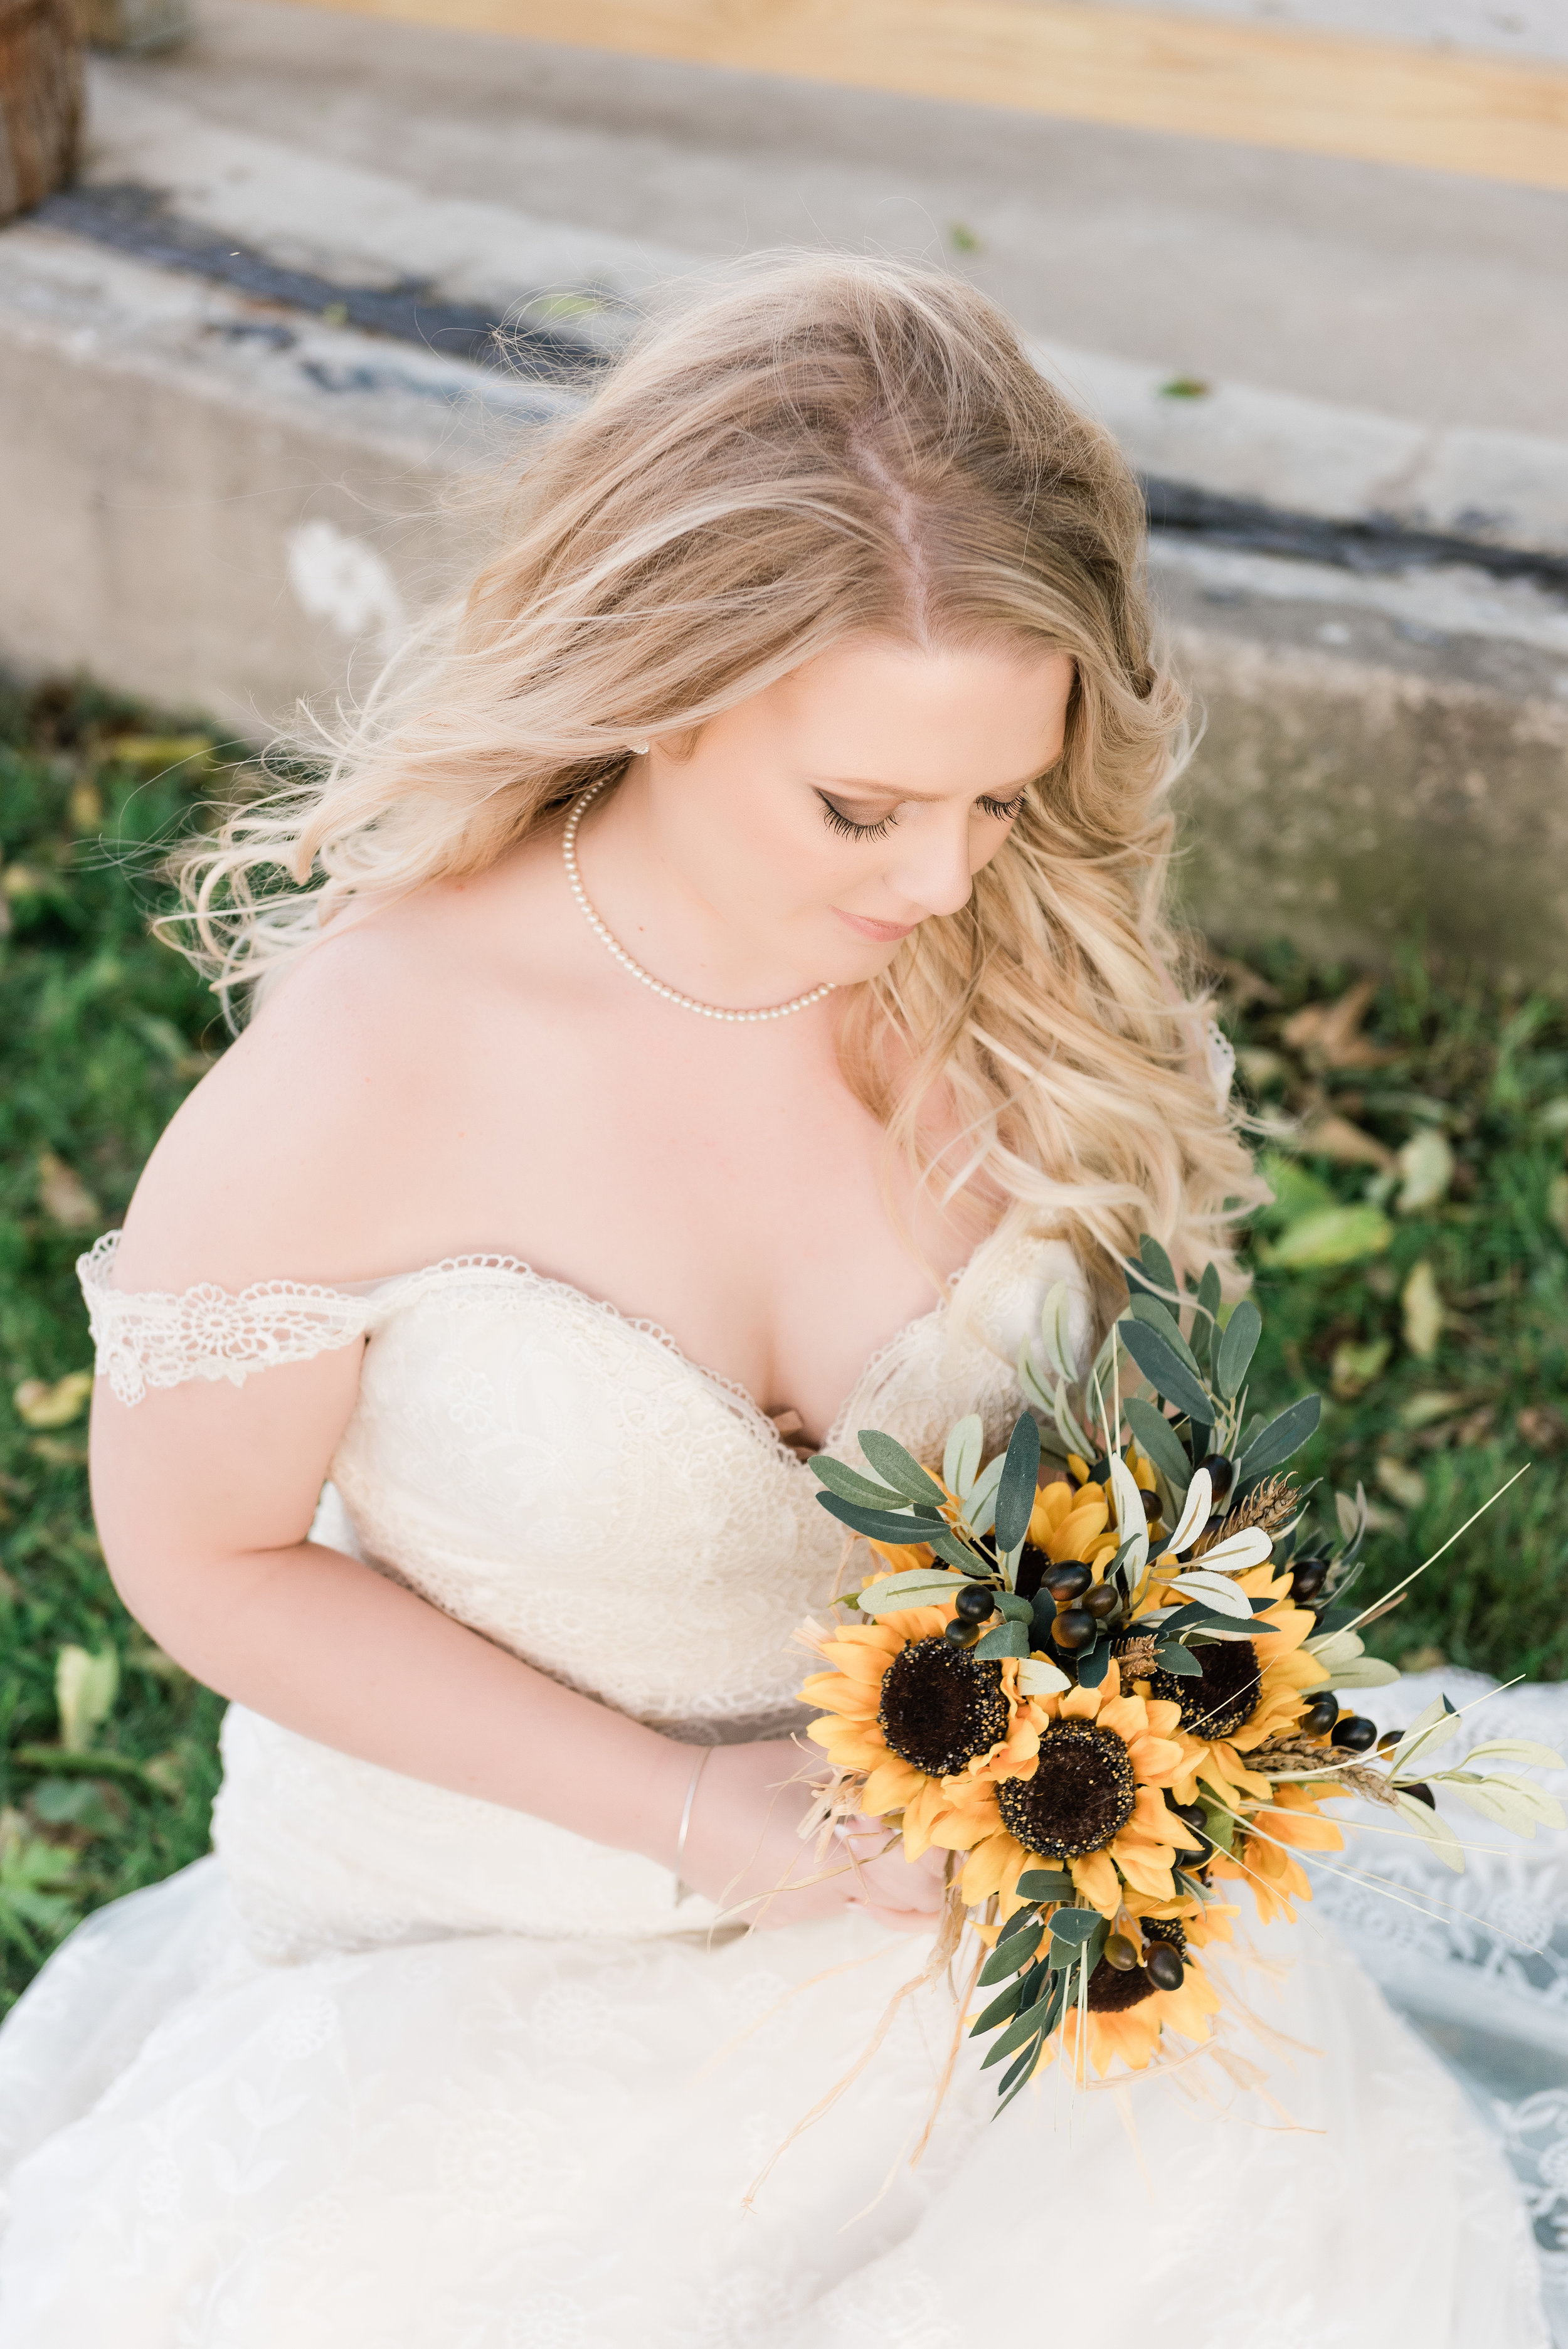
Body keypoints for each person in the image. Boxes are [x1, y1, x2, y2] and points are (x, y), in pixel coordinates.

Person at [0, 258, 1547, 2345]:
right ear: (658, 677)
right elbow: (200, 1551)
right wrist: (686, 1810)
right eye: (861, 807)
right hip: (495, 1928)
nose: (937, 877)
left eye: (1000, 798)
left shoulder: (1009, 980)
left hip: (980, 1908)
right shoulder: (364, 1071)